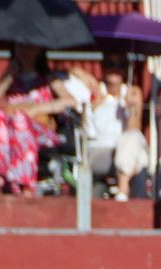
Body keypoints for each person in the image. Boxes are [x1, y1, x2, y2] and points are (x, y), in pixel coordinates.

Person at [0, 42, 78, 196]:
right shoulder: (10, 77)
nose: (24, 51)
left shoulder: (48, 78)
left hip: (40, 131)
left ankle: (24, 182)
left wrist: (34, 109)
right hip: (10, 132)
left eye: (29, 47)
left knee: (20, 119)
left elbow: (70, 101)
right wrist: (9, 77)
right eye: (21, 47)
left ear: (38, 50)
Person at [63, 56, 148, 201]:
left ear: (125, 70)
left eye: (119, 65)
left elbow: (134, 128)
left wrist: (131, 110)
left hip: (124, 149)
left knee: (132, 138)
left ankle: (122, 190)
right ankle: (128, 194)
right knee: (142, 159)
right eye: (110, 65)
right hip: (98, 149)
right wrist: (86, 76)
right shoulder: (95, 91)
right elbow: (70, 75)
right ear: (103, 68)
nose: (114, 70)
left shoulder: (131, 93)